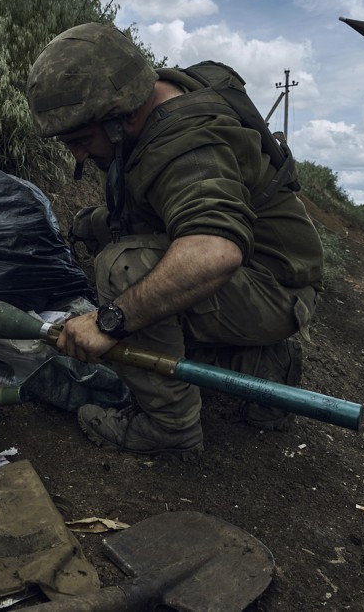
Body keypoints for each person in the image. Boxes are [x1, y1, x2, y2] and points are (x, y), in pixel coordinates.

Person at [25, 23, 324, 458]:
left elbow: (213, 251)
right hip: (268, 270)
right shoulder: (154, 91)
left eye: (81, 140)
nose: (79, 156)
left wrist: (109, 321)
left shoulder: (187, 145)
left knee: (122, 268)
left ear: (122, 115)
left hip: (274, 288)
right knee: (104, 230)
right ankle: (261, 366)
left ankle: (169, 428)